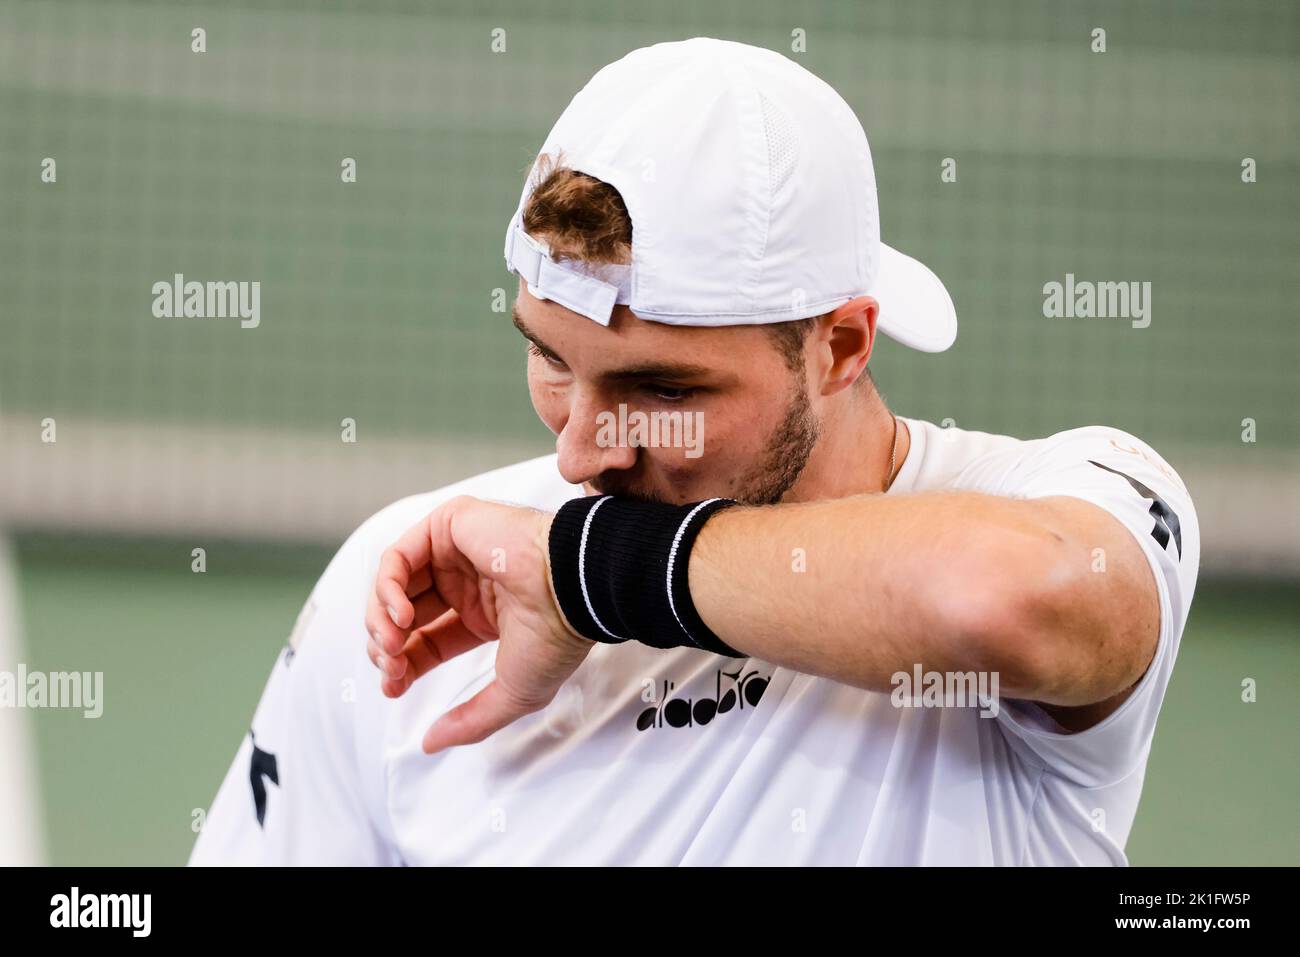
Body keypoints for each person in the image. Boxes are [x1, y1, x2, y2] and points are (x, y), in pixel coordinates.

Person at [191, 37, 1198, 866]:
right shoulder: (416, 584)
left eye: (661, 390)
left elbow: (1000, 603)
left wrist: (586, 577)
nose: (582, 455)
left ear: (839, 344)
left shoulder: (1058, 499)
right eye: (550, 360)